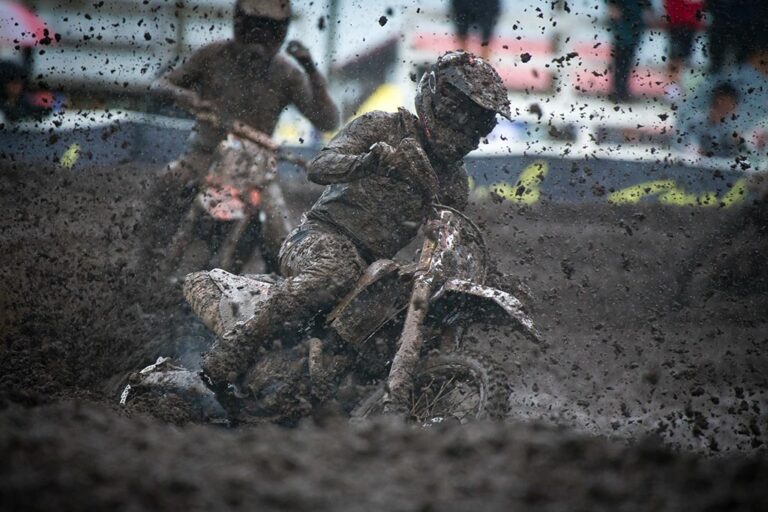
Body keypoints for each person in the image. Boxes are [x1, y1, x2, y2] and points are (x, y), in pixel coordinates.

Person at [198, 51, 511, 391]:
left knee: (411, 311)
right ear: (437, 95)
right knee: (336, 270)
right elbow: (320, 167)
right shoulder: (383, 126)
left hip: (373, 268)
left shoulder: (453, 181)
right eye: (460, 109)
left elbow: (447, 237)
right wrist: (369, 162)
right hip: (318, 236)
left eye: (475, 117)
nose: (464, 122)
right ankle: (236, 346)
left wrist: (483, 274)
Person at [143, 0, 339, 266]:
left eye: (268, 30)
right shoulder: (212, 55)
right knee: (165, 185)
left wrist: (311, 70)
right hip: (204, 155)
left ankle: (280, 292)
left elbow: (327, 120)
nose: (260, 37)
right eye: (254, 27)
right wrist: (185, 96)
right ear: (240, 23)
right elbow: (158, 86)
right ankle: (145, 261)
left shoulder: (287, 73)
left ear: (279, 32)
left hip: (256, 168)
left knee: (280, 237)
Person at [607, 0, 651, 102]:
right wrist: (612, 5)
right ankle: (617, 92)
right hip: (623, 22)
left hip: (634, 23)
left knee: (627, 60)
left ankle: (622, 91)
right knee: (620, 60)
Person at [663, 0, 704, 100]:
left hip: (689, 22)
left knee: (684, 57)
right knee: (675, 56)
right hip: (677, 21)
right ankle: (672, 86)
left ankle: (678, 85)